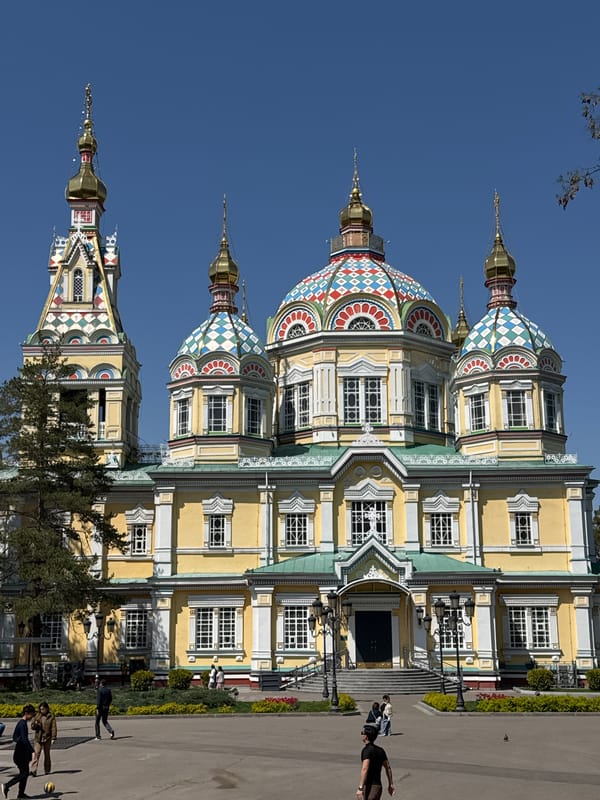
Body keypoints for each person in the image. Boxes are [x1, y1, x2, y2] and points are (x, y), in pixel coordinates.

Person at [2, 704, 36, 799]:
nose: (32, 717)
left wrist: (19, 741)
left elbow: (15, 737)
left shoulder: (21, 723)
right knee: (24, 773)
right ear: (26, 713)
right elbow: (25, 740)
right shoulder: (22, 724)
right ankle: (7, 785)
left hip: (21, 752)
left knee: (24, 774)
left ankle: (21, 794)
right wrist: (32, 752)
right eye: (31, 715)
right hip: (20, 754)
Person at [356, 725, 394, 800]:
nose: (361, 734)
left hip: (370, 786)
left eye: (362, 733)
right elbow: (388, 767)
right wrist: (390, 784)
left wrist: (360, 788)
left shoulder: (366, 750)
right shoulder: (380, 750)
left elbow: (365, 768)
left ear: (366, 736)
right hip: (378, 786)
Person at [30, 702, 57, 777]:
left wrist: (53, 737)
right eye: (41, 709)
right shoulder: (37, 716)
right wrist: (35, 724)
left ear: (47, 709)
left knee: (47, 754)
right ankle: (33, 770)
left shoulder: (51, 716)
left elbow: (54, 727)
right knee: (36, 754)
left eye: (43, 709)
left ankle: (47, 770)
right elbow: (32, 727)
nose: (42, 710)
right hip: (38, 738)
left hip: (47, 738)